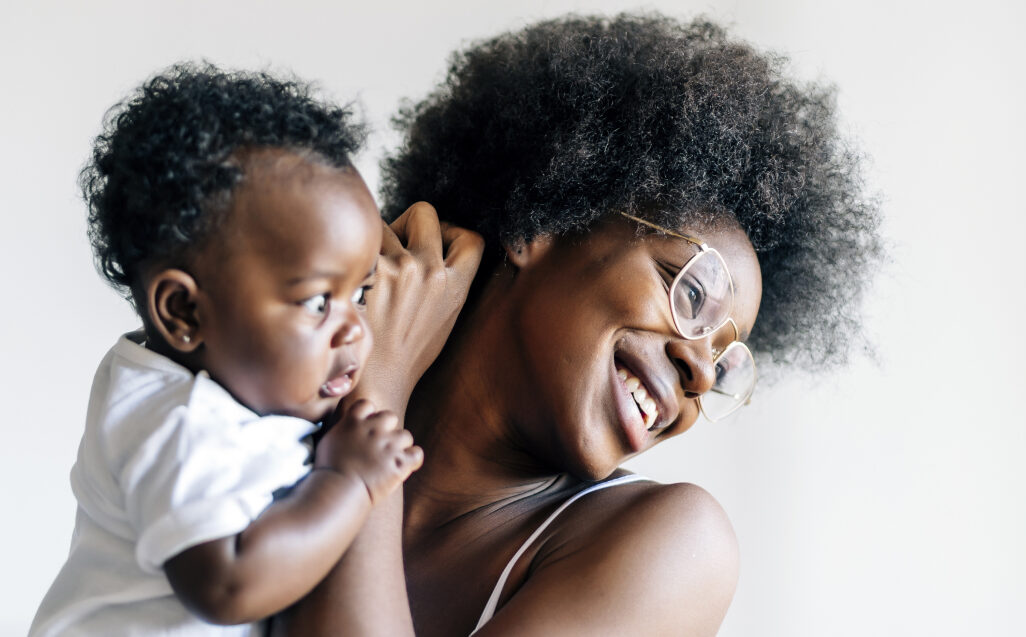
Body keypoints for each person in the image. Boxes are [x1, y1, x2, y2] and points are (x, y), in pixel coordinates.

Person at [275, 13, 881, 637]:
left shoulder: (673, 545)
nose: (701, 372)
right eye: (692, 292)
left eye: (725, 364)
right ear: (542, 218)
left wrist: (376, 398)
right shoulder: (267, 411)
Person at [31, 64, 478, 636]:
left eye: (359, 292)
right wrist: (349, 482)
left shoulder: (229, 388)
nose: (355, 331)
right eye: (318, 302)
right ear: (184, 312)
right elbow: (229, 585)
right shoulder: (180, 422)